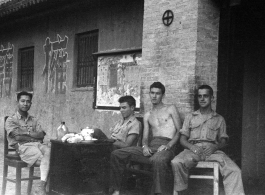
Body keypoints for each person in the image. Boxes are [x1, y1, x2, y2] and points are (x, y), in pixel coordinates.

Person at [110, 82, 182, 195]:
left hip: (168, 145)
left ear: (163, 95)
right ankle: (117, 190)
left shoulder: (170, 109)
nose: (154, 96)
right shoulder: (148, 114)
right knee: (117, 154)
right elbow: (145, 137)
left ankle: (159, 193)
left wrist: (168, 146)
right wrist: (144, 146)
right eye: (152, 93)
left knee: (158, 159)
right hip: (152, 145)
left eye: (157, 93)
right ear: (149, 94)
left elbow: (180, 131)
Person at [171, 85, 245, 195]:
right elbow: (182, 139)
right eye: (199, 96)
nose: (202, 99)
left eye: (205, 96)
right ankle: (182, 191)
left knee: (235, 171)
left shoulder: (219, 119)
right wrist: (192, 147)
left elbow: (224, 141)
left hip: (213, 152)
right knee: (176, 162)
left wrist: (214, 147)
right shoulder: (190, 117)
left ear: (212, 98)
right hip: (192, 150)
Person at [5, 91, 50, 195]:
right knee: (52, 162)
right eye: (23, 101)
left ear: (31, 104)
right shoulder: (11, 120)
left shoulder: (34, 119)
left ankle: (42, 188)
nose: (25, 104)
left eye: (28, 101)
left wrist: (26, 133)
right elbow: (18, 137)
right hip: (23, 147)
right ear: (17, 102)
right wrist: (33, 135)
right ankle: (44, 189)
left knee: (51, 152)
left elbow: (41, 135)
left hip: (38, 145)